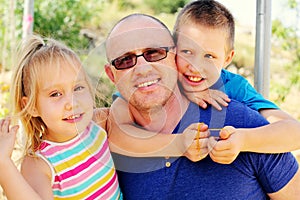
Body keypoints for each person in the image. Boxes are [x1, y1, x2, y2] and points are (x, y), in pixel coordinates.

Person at [104, 13, 300, 199]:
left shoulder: (238, 113)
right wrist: (178, 144)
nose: (143, 68)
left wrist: (244, 140)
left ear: (172, 55)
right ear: (111, 75)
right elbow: (114, 133)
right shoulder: (108, 149)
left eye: (154, 53)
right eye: (124, 60)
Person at [0, 35, 122, 199]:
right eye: (55, 94)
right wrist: (3, 164)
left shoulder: (97, 125)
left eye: (78, 88)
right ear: (31, 106)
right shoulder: (39, 163)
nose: (72, 103)